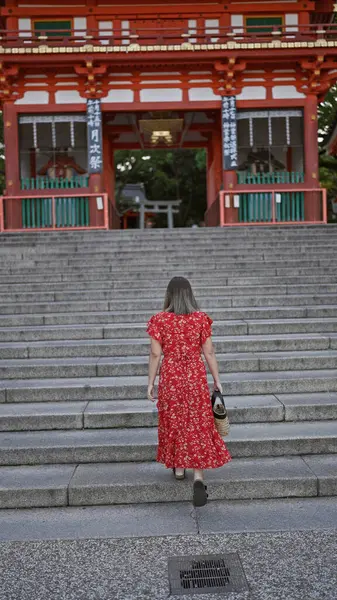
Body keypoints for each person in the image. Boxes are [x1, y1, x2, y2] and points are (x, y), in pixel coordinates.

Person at [147, 276, 232, 507]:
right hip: (194, 376)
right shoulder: (200, 319)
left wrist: (150, 383)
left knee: (174, 420)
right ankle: (198, 476)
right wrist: (217, 380)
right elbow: (210, 352)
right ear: (189, 294)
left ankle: (178, 468)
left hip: (172, 377)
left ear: (169, 295)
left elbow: (156, 354)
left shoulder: (159, 320)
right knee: (197, 422)